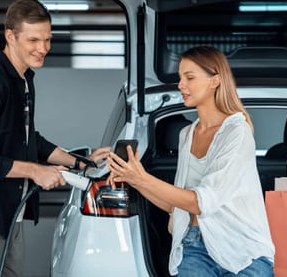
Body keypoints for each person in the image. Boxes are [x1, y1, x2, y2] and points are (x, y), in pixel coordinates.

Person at [0, 0, 108, 277]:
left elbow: (29, 138)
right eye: (33, 40)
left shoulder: (23, 79)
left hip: (10, 211)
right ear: (10, 36)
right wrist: (35, 171)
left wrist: (82, 163)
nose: (43, 48)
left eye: (47, 39)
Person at [107, 46, 275, 276]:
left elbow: (201, 203)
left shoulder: (237, 132)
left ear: (215, 80)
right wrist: (133, 179)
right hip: (193, 245)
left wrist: (142, 177)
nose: (180, 85)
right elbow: (177, 203)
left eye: (190, 77)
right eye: (180, 78)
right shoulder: (186, 134)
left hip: (241, 249)